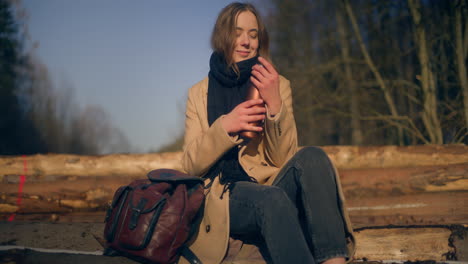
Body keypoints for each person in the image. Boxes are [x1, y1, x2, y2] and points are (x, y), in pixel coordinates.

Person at [181, 2, 355, 264]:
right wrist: (224, 127)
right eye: (237, 32)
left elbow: (283, 158)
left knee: (314, 158)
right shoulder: (199, 93)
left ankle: (334, 261)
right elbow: (189, 165)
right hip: (224, 195)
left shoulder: (277, 84)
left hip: (269, 184)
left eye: (253, 34)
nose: (246, 41)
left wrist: (275, 107)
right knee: (270, 199)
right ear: (222, 36)